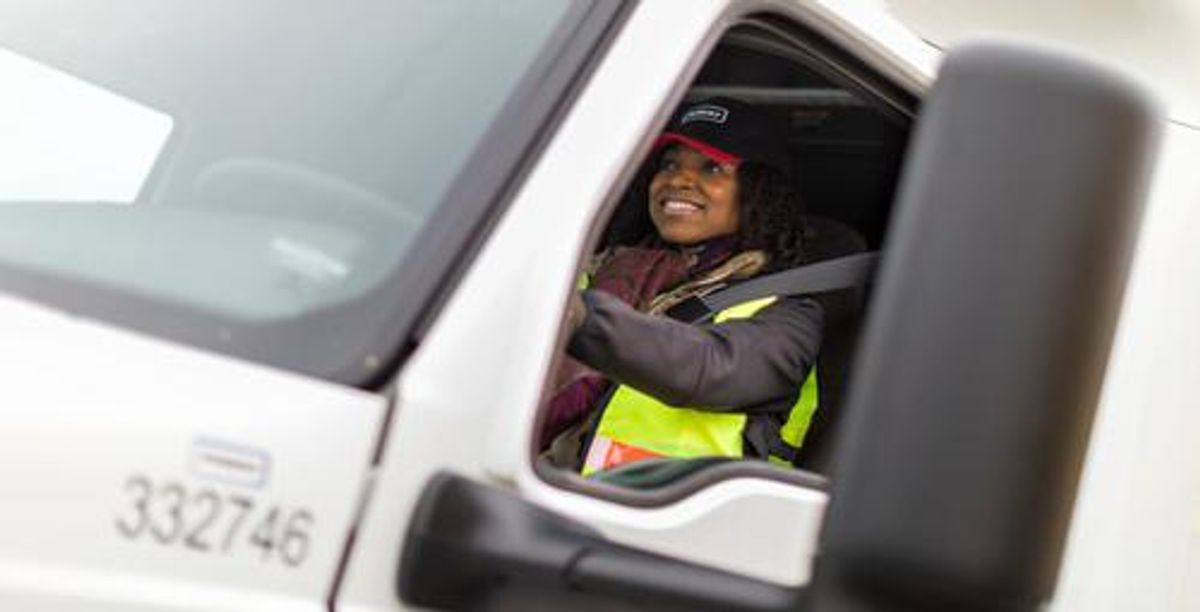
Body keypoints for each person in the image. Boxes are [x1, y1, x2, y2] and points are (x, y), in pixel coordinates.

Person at [541, 98, 822, 475]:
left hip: (676, 525)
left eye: (712, 167)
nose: (678, 180)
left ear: (759, 192)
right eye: (669, 164)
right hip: (543, 491)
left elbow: (708, 369)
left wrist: (582, 318)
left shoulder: (789, 314)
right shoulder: (601, 268)